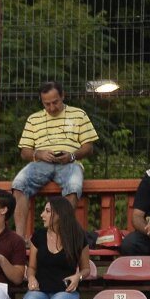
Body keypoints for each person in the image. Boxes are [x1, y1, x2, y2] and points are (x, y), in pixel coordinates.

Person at [11, 82, 98, 238]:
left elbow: (89, 147)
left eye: (55, 102)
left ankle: (61, 236)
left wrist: (71, 155)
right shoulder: (33, 119)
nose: (51, 108)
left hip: (69, 162)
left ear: (62, 96)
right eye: (47, 104)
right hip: (40, 163)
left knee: (73, 186)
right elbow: (24, 152)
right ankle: (19, 238)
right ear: (42, 101)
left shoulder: (79, 114)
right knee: (19, 184)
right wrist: (39, 154)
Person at [23, 196, 89, 299]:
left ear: (59, 214)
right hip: (40, 290)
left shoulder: (77, 237)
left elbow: (86, 269)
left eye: (47, 211)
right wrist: (31, 278)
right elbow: (32, 268)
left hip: (65, 292)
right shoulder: (39, 236)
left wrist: (78, 277)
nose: (42, 215)